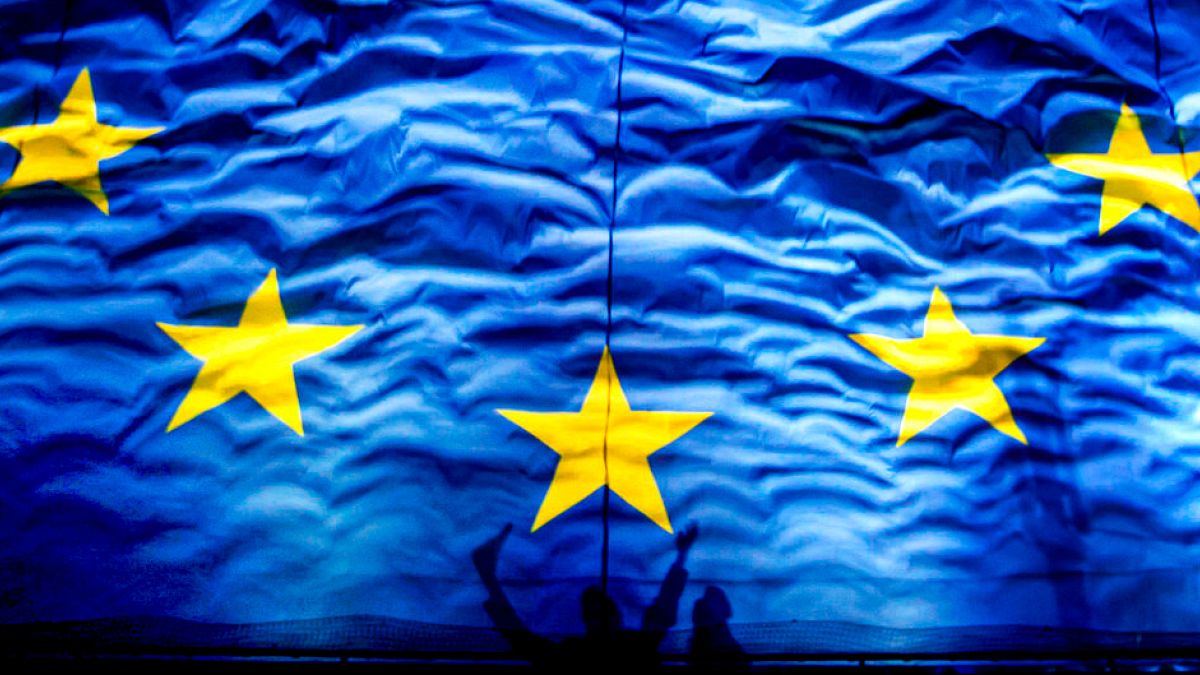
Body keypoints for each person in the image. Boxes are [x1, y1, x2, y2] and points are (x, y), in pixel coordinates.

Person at [471, 522, 699, 667]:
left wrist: (488, 577)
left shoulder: (577, 652)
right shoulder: (632, 647)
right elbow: (663, 610)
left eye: (604, 609)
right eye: (603, 610)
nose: (609, 615)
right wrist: (681, 556)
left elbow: (524, 642)